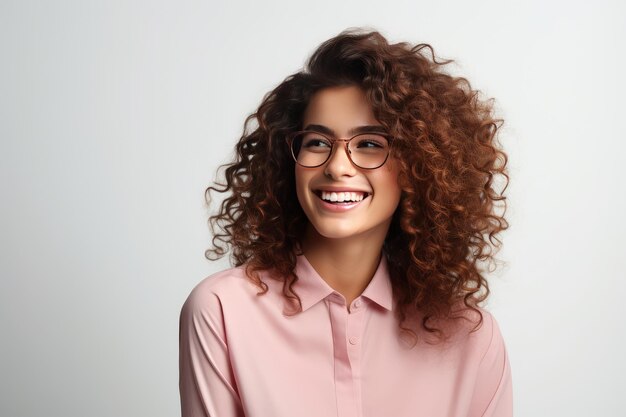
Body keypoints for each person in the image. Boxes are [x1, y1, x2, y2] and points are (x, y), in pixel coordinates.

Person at [179, 28, 512, 417]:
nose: (337, 167)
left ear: (418, 166)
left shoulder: (471, 339)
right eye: (317, 142)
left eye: (370, 144)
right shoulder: (223, 312)